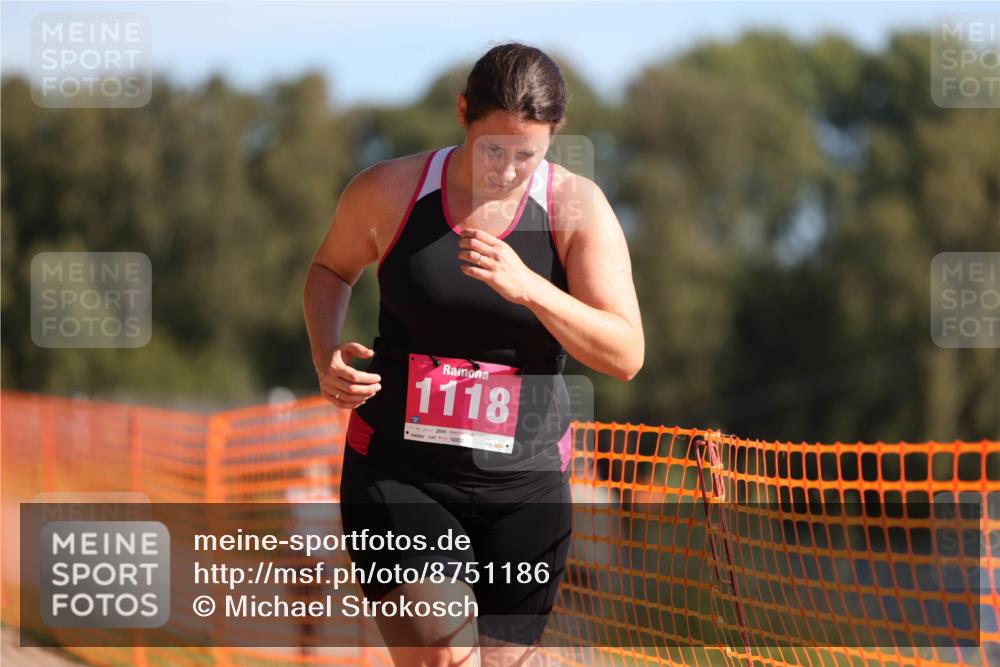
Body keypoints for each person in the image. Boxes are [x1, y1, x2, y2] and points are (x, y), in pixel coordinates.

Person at [304, 41, 643, 667]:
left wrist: (531, 287)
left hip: (525, 484)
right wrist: (327, 354)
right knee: (442, 657)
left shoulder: (575, 210)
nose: (508, 170)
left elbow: (624, 352)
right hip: (400, 471)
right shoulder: (391, 190)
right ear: (463, 112)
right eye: (494, 148)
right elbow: (329, 269)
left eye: (528, 154)